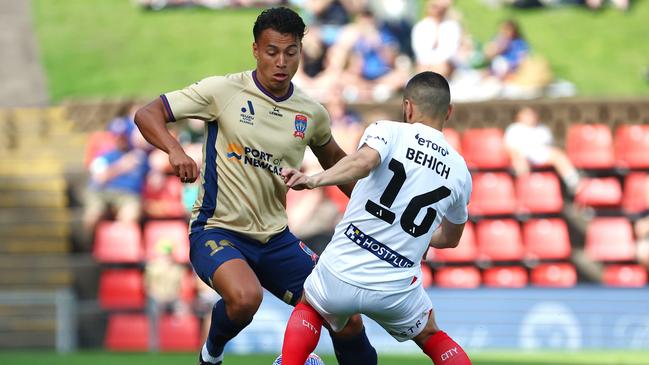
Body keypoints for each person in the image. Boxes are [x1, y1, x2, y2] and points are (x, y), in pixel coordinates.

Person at [133, 7, 377, 365]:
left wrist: (380, 216)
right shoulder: (223, 91)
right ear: (255, 50)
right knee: (246, 299)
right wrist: (174, 150)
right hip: (217, 231)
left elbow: (338, 165)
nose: (281, 61)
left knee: (347, 320)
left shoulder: (310, 113)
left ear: (300, 51)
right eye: (272, 51)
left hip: (276, 239)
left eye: (290, 52)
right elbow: (147, 113)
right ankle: (210, 355)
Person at [279, 71, 473, 365]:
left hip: (344, 267)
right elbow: (451, 239)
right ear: (448, 111)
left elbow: (362, 162)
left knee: (310, 306)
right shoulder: (460, 171)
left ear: (408, 107)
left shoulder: (388, 131)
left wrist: (316, 180)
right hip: (395, 286)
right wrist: (415, 234)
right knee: (432, 337)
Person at [503, 106, 581, 192]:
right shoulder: (514, 129)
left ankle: (574, 184)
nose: (530, 117)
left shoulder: (542, 129)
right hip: (521, 154)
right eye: (526, 115)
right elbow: (510, 148)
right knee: (519, 160)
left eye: (531, 115)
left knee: (558, 155)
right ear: (519, 116)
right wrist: (517, 156)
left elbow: (550, 146)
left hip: (540, 154)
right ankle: (525, 191)